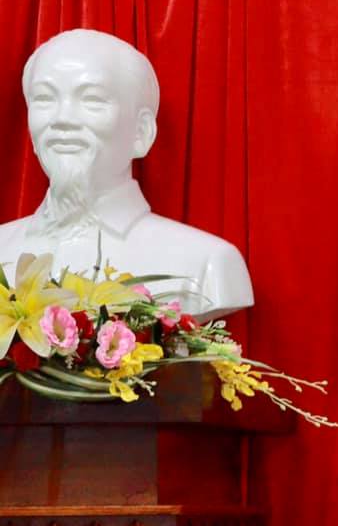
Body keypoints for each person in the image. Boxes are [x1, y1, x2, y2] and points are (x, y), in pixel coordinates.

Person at [0, 27, 253, 314]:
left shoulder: (206, 264)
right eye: (44, 99)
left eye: (92, 99)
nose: (62, 119)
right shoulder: (4, 247)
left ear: (141, 132)